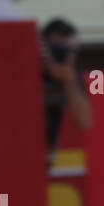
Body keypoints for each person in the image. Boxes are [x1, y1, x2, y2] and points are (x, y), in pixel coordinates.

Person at [39, 18, 93, 166]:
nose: (62, 56)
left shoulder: (73, 77)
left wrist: (68, 81)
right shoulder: (28, 73)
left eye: (68, 51)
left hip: (48, 156)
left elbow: (84, 123)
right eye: (56, 50)